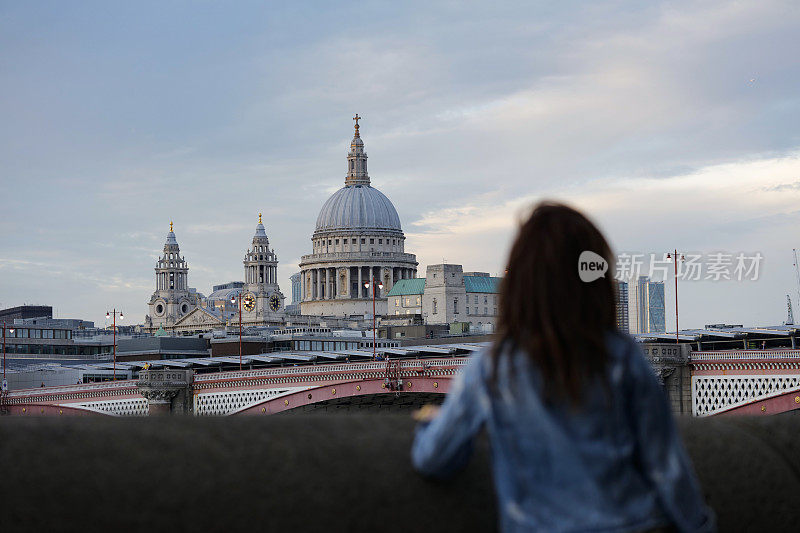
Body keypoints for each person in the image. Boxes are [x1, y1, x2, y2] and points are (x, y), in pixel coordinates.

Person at [411, 202, 714, 532]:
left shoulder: (490, 367)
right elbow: (667, 468)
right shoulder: (622, 356)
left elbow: (434, 459)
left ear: (518, 286)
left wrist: (434, 421)